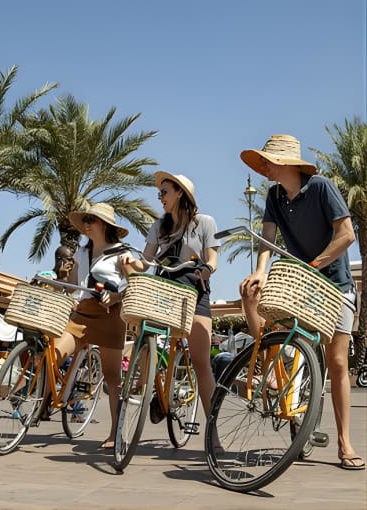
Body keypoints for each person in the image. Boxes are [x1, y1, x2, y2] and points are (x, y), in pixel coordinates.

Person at [239, 134, 364, 471]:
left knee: (337, 363)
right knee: (253, 296)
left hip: (335, 284)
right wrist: (261, 272)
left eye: (266, 161)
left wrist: (316, 264)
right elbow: (267, 239)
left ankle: (344, 443)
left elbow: (347, 235)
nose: (262, 167)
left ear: (284, 163)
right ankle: (275, 376)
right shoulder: (273, 195)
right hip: (301, 286)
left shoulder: (321, 188)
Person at [122, 171, 221, 448]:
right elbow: (146, 261)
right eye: (159, 193)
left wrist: (207, 267)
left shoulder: (204, 223)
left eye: (164, 192)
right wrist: (131, 262)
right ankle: (158, 392)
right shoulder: (159, 226)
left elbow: (212, 257)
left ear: (180, 193)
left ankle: (213, 435)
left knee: (201, 363)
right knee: (146, 339)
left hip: (194, 288)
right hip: (164, 289)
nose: (160, 197)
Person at [54, 203, 130, 449]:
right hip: (82, 312)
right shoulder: (80, 253)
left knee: (112, 378)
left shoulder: (122, 252)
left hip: (110, 314)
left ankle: (116, 434)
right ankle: (41, 402)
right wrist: (57, 280)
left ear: (105, 225)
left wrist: (117, 296)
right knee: (54, 353)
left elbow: (133, 283)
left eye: (91, 220)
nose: (86, 224)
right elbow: (74, 283)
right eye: (85, 220)